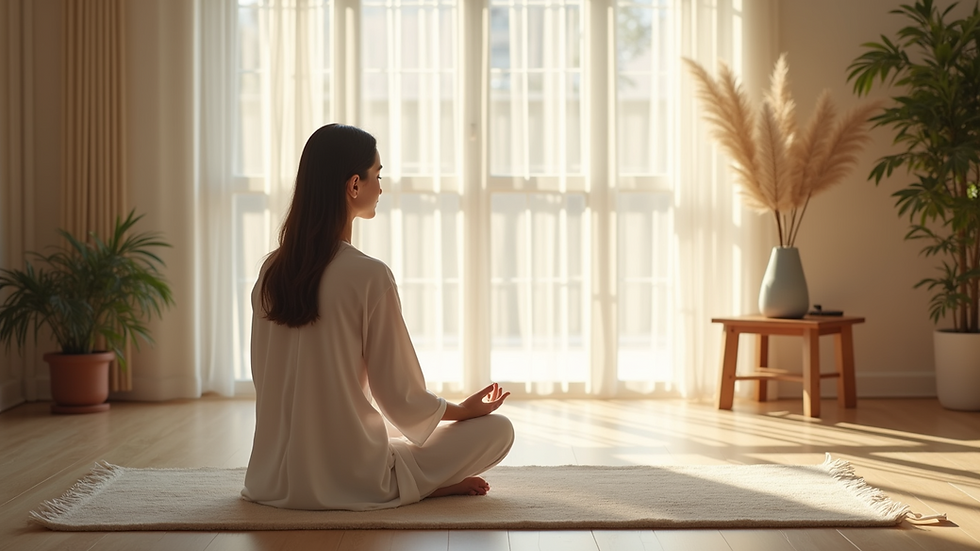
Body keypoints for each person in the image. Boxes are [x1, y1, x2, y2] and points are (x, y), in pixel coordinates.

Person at [241, 123, 514, 511]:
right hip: (354, 478)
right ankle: (411, 485)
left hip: (270, 480)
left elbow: (266, 377)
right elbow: (400, 397)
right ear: (354, 185)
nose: (381, 188)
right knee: (499, 429)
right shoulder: (369, 275)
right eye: (378, 175)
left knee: (383, 430)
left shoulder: (270, 271)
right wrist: (463, 411)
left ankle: (407, 478)